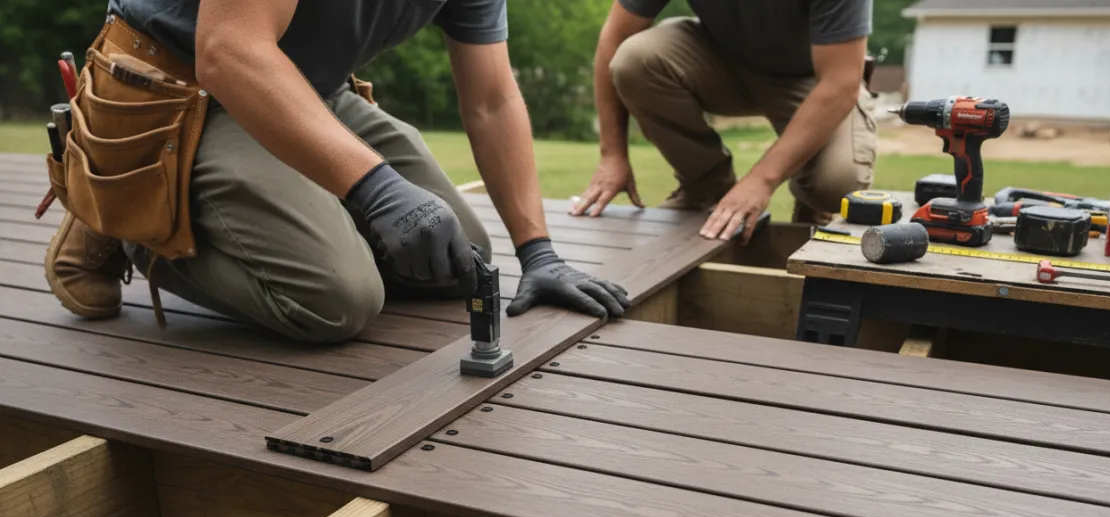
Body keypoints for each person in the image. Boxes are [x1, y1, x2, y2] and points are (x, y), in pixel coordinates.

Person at [45, 0, 630, 344]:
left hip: (303, 88)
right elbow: (227, 50)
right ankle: (126, 207)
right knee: (337, 300)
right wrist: (376, 188)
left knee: (456, 260)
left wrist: (538, 253)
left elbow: (492, 100)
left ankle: (244, 211)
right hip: (178, 88)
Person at [571, 0, 878, 243]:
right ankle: (707, 186)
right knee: (635, 59)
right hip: (722, 62)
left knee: (836, 182)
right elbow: (615, 38)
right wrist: (612, 154)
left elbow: (839, 83)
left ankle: (813, 205)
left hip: (813, 78)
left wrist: (761, 181)